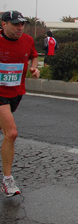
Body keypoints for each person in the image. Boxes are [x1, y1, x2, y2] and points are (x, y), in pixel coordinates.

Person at [0, 11, 40, 197]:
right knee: (12, 133)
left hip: (16, 92)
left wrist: (34, 66)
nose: (19, 28)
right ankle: (7, 180)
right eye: (15, 24)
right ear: (4, 24)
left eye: (22, 24)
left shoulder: (27, 40)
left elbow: (33, 55)